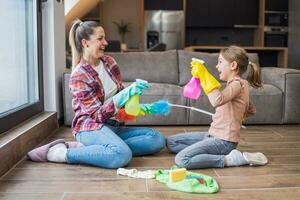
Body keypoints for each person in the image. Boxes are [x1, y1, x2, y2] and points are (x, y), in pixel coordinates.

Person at [27, 19, 165, 169]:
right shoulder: (79, 76)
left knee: (156, 139)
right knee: (122, 156)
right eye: (100, 39)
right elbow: (96, 116)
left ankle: (104, 149)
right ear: (85, 43)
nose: (105, 42)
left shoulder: (110, 63)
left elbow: (120, 98)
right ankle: (65, 153)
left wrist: (141, 106)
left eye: (104, 38)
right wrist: (124, 95)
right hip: (89, 127)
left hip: (113, 125)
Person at [167, 45, 268, 169]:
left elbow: (217, 100)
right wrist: (231, 115)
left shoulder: (237, 84)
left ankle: (229, 159)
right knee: (172, 142)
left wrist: (204, 75)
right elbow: (251, 110)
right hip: (212, 135)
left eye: (220, 62)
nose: (217, 66)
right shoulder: (242, 85)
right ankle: (202, 154)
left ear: (233, 65)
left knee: (182, 159)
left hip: (224, 141)